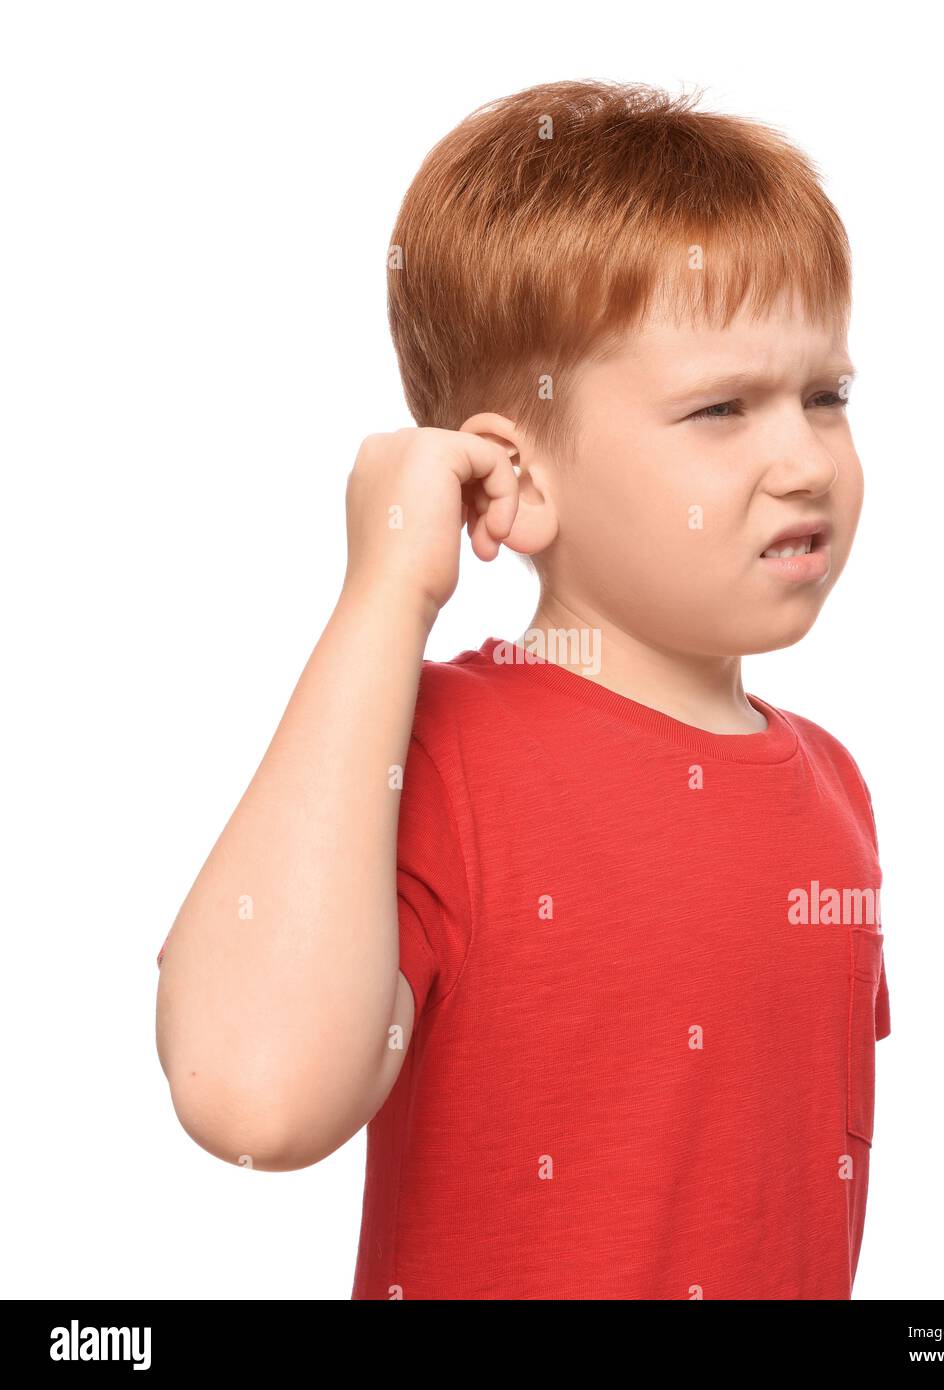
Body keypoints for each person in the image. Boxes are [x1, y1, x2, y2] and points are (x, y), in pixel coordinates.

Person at [155, 78, 892, 1300]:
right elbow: (254, 1095)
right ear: (516, 476)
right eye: (721, 407)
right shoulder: (435, 748)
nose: (803, 457)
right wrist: (382, 594)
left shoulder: (836, 794)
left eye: (825, 395)